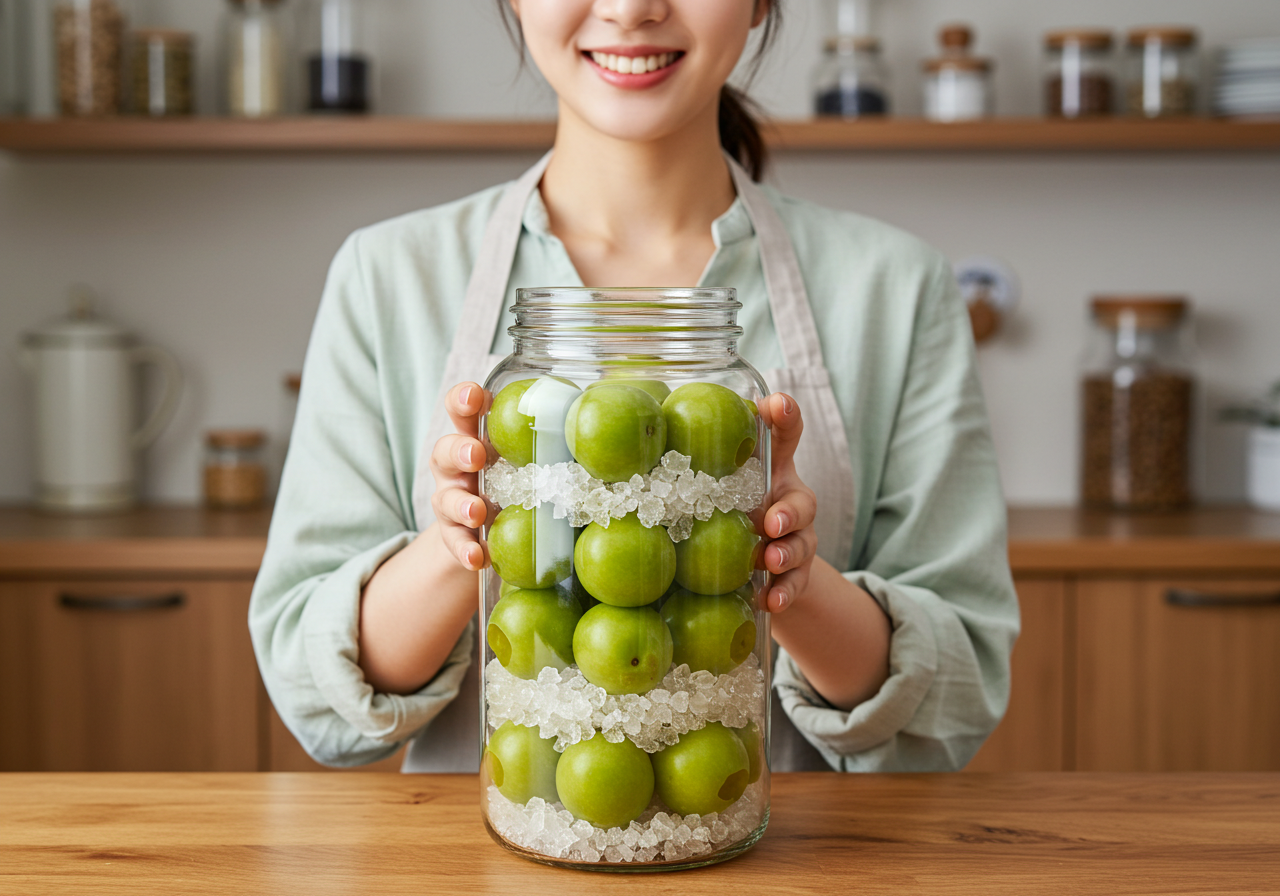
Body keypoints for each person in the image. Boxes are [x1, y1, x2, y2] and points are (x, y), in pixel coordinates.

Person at [249, 0, 1019, 774]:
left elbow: (955, 702)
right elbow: (317, 701)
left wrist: (790, 574)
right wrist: (460, 543)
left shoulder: (896, 286)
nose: (630, 8)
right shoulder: (388, 275)